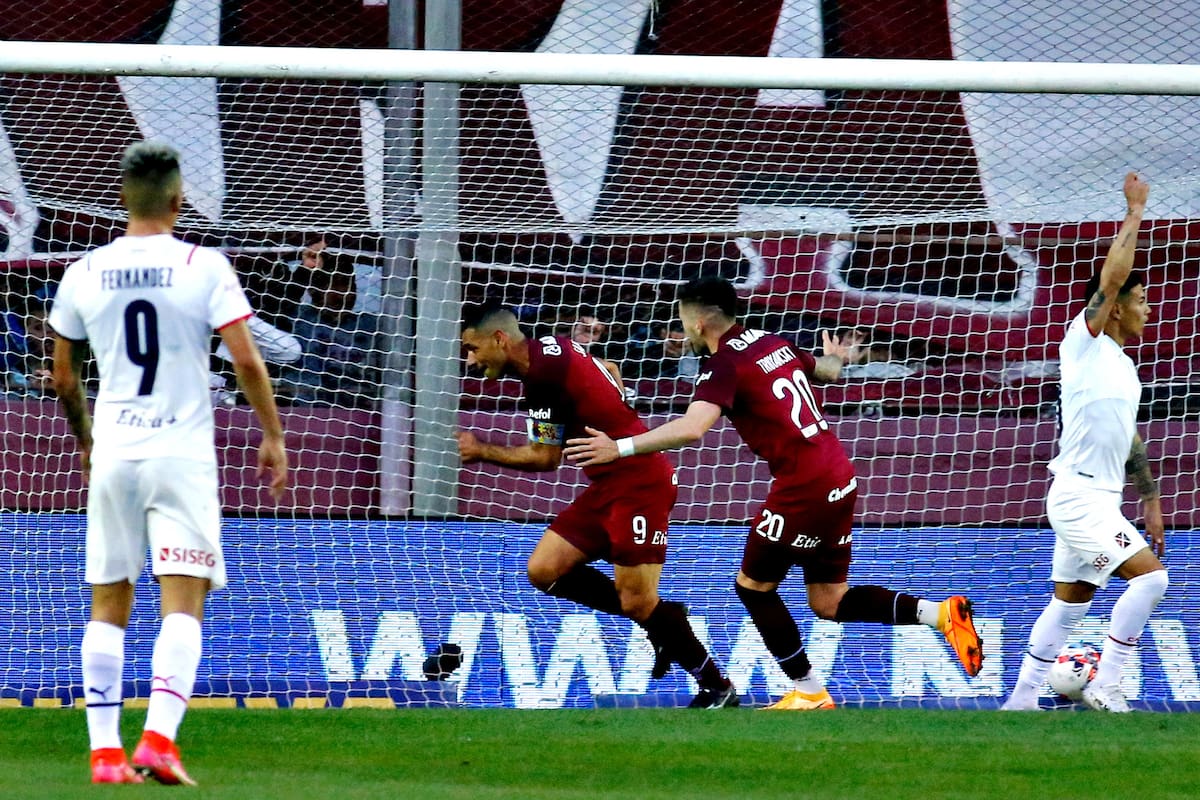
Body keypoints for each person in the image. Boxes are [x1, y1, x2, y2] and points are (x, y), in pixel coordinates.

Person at [564, 276, 983, 710]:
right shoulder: (770, 342)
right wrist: (837, 357)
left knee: (754, 588)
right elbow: (826, 372)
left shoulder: (723, 364)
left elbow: (691, 428)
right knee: (829, 600)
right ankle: (941, 614)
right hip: (838, 476)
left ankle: (809, 691)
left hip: (804, 487)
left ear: (703, 319)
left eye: (684, 317)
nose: (682, 326)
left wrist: (620, 447)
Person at [49, 141, 289, 785]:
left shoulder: (83, 271)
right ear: (180, 200)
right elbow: (245, 359)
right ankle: (157, 739)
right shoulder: (202, 266)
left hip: (116, 451)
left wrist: (87, 443)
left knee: (108, 605)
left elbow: (64, 378)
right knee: (182, 602)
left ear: (121, 198)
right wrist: (272, 433)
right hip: (180, 454)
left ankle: (104, 754)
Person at [456, 304, 738, 708]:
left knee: (637, 601)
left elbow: (545, 458)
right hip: (608, 485)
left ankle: (716, 685)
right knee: (544, 570)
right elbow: (606, 364)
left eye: (472, 348)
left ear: (499, 339)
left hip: (641, 483)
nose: (471, 360)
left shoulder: (542, 378)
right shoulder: (553, 346)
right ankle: (665, 618)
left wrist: (480, 449)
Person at [1002, 173, 1167, 713]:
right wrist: (1135, 211)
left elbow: (1130, 439)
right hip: (1076, 496)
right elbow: (1112, 276)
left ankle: (1023, 699)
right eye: (1140, 301)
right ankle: (1108, 681)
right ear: (1116, 306)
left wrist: (1149, 499)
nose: (1148, 310)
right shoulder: (1085, 342)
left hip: (1102, 497)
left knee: (1071, 603)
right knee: (1150, 583)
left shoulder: (1124, 370)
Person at [283, 252, 379, 408]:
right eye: (333, 283)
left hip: (359, 411)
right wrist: (305, 268)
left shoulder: (370, 327)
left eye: (348, 284)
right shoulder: (300, 320)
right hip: (304, 410)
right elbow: (284, 300)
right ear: (313, 290)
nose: (343, 293)